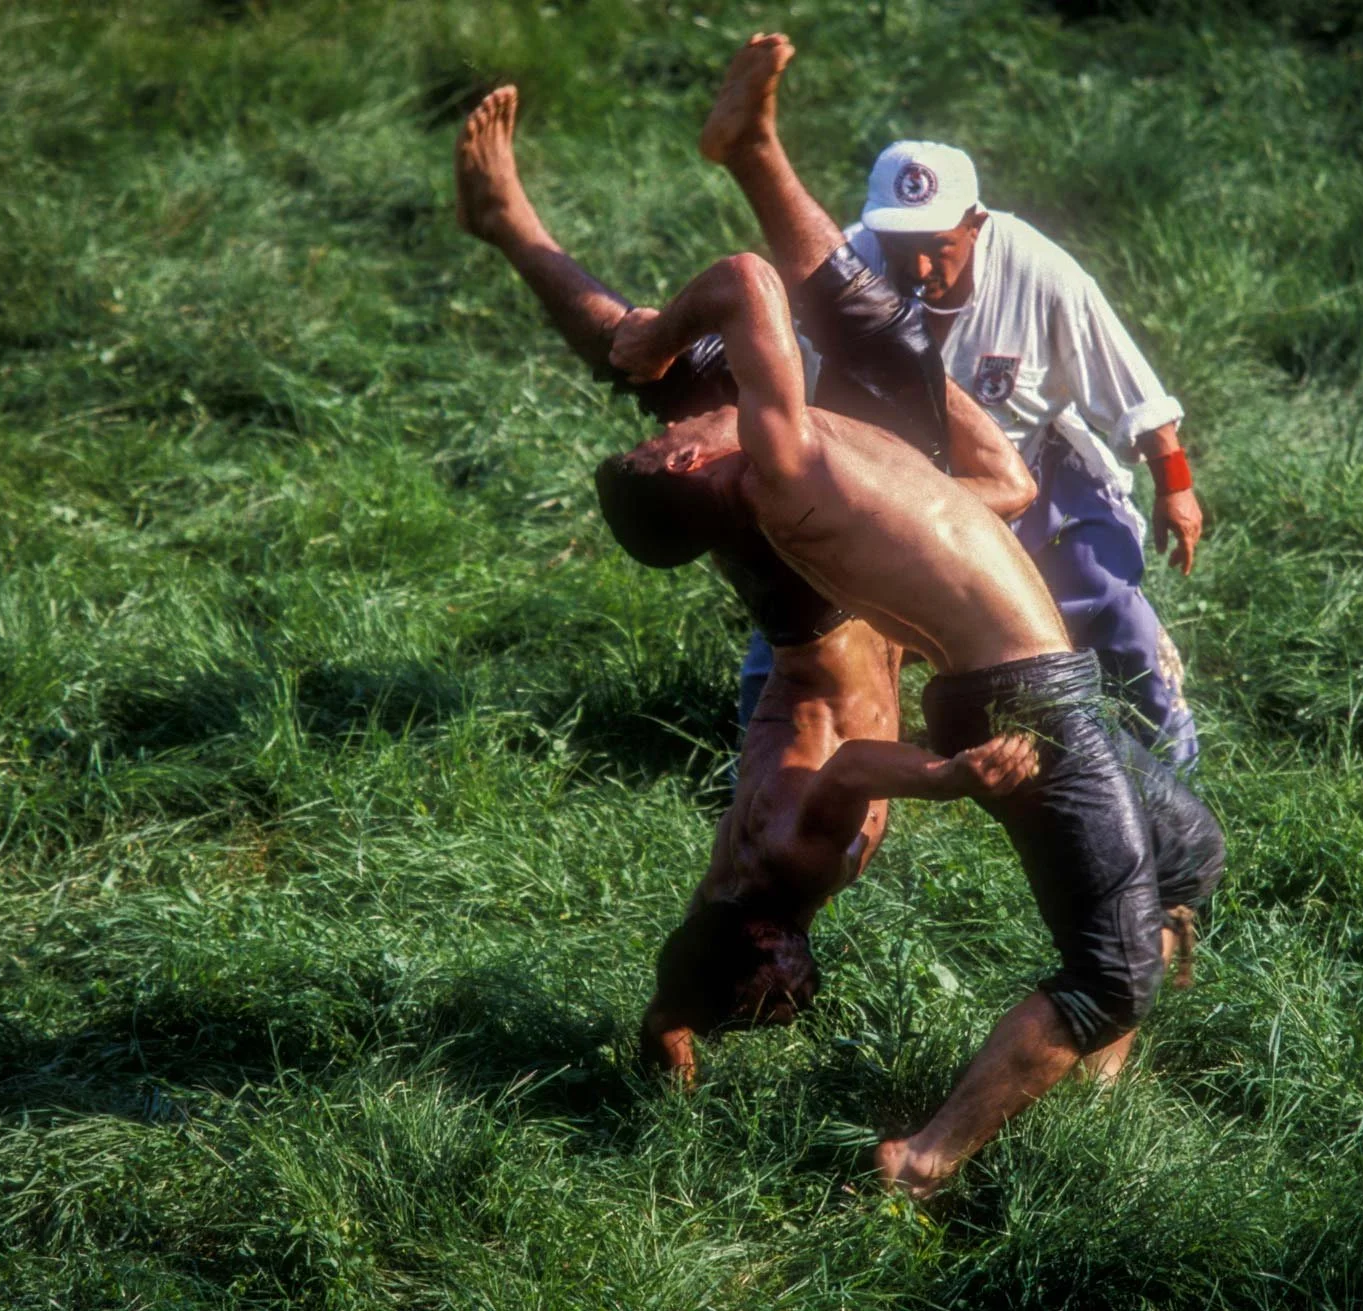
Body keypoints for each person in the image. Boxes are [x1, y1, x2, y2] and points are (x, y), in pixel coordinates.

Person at [601, 40, 1224, 1194]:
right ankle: (922, 1161)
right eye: (673, 439)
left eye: (663, 422)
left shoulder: (817, 466)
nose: (680, 426)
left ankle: (754, 150)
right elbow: (742, 279)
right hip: (1025, 690)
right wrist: (651, 337)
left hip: (1029, 675)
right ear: (694, 462)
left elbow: (986, 496)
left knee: (1189, 844)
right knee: (1106, 971)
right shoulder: (782, 466)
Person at [452, 51, 1037, 1079]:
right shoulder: (733, 894)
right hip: (821, 611)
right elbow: (696, 956)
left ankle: (693, 178)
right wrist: (668, 1030)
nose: (792, 981)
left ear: (757, 942)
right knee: (700, 382)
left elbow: (854, 765)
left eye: (769, 985)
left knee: (917, 413)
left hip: (813, 602)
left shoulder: (781, 864)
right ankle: (522, 228)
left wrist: (953, 777)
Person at [740, 124, 1205, 773]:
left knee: (1108, 595)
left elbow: (1129, 385)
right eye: (901, 248)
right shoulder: (843, 272)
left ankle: (1174, 756)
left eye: (938, 247)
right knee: (799, 618)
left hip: (1029, 476)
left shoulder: (1038, 269)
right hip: (895, 490)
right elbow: (779, 386)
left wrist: (1176, 484)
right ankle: (759, 766)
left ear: (976, 223)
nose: (920, 269)